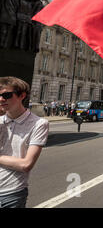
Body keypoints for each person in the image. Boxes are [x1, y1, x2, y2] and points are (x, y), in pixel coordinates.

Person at [0, 77, 49, 208]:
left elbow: (26, 164)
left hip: (11, 194)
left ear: (22, 95)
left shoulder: (39, 124)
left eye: (6, 95)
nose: (1, 99)